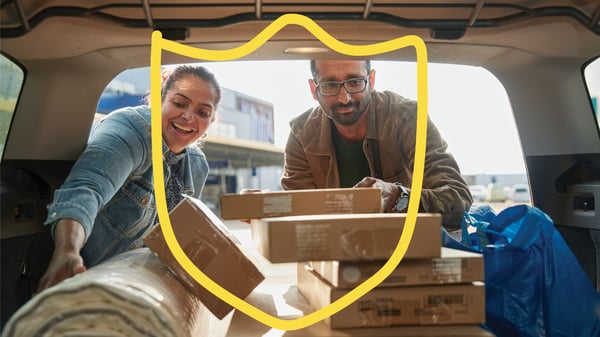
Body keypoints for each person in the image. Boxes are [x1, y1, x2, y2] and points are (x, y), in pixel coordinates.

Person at [37, 65, 221, 291]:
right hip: (94, 282)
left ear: (211, 121)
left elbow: (183, 237)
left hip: (148, 284)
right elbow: (87, 188)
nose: (188, 116)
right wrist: (67, 251)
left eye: (203, 112)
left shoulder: (197, 164)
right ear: (160, 99)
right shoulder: (131, 131)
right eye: (179, 103)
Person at [281, 60, 472, 230]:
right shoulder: (301, 134)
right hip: (333, 255)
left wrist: (399, 196)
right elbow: (296, 212)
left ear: (371, 81)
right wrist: (262, 206)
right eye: (330, 85)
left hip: (405, 249)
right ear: (314, 90)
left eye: (354, 82)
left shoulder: (407, 118)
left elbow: (458, 199)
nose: (344, 98)